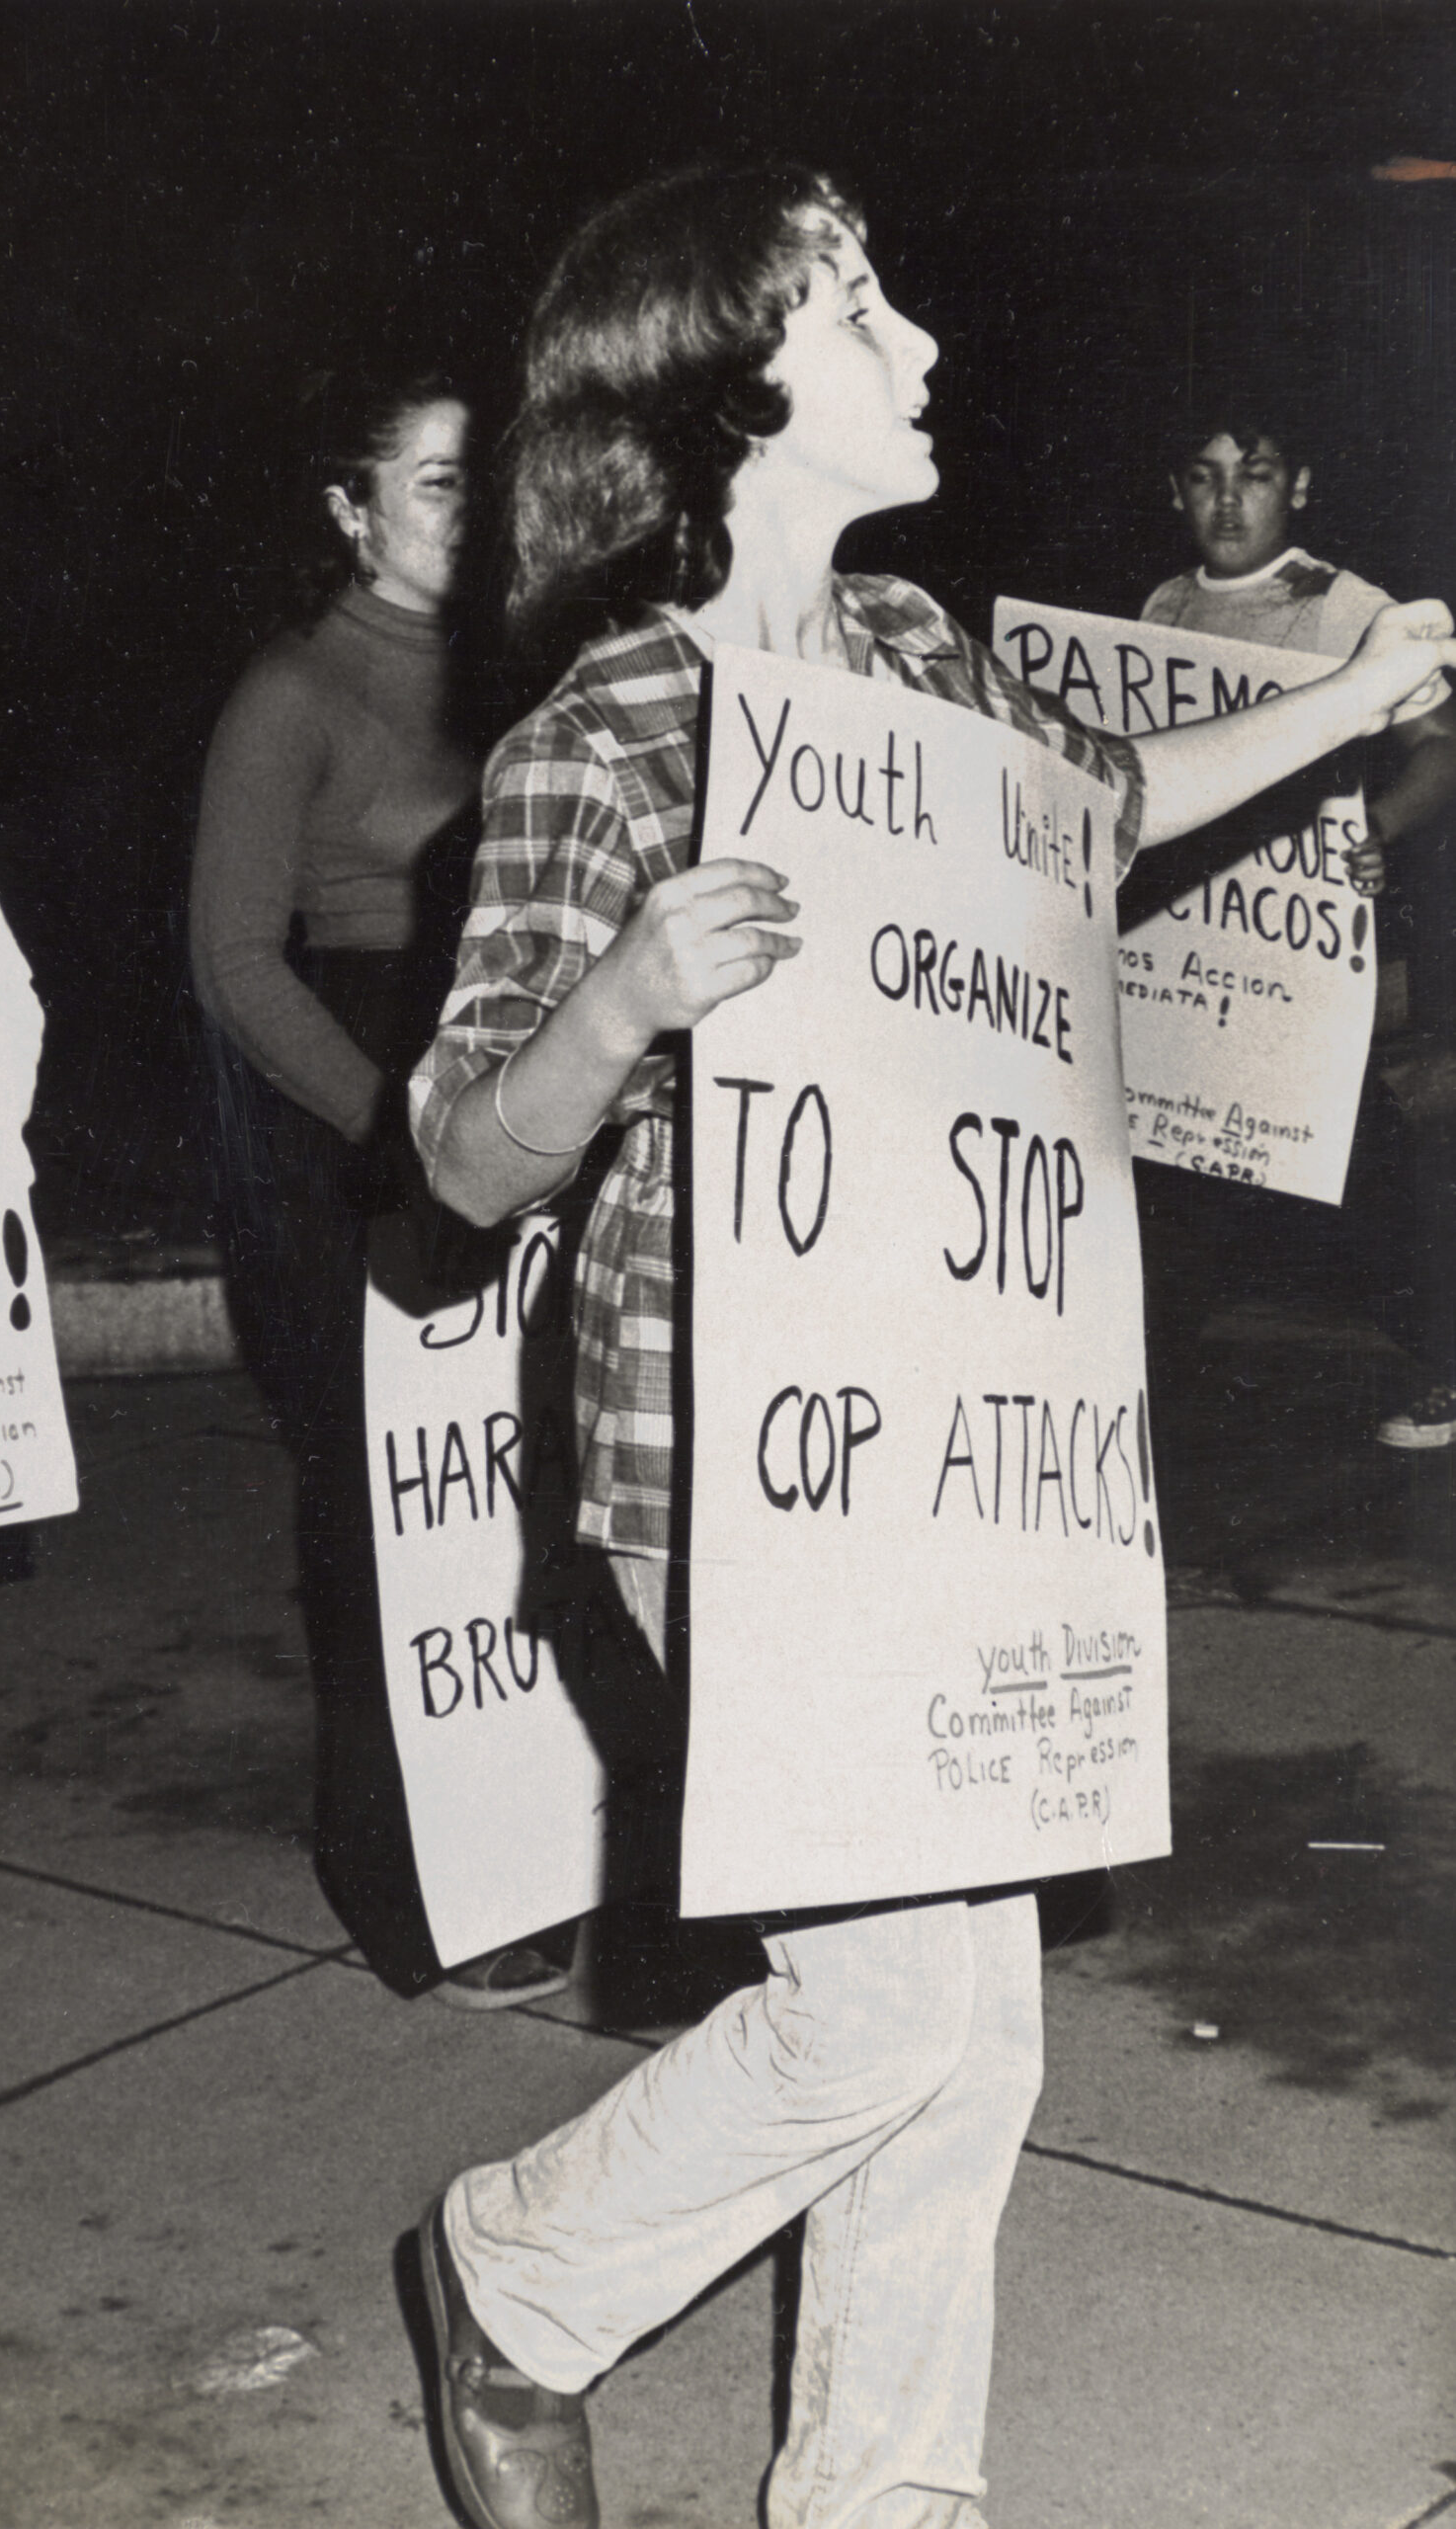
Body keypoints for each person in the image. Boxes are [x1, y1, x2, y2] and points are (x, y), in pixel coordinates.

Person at [404, 165, 1456, 2529]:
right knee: (888, 2008)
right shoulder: (610, 724)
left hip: (946, 1464)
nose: (921, 340)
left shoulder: (906, 650)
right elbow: (467, 1154)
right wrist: (630, 997)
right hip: (727, 1470)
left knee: (969, 2028)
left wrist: (1354, 693)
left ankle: (883, 2496)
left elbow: (1093, 821)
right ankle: (518, 2271)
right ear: (729, 380)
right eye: (859, 296)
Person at [190, 371, 569, 2006]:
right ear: (349, 511)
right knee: (383, 1514)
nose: (468, 512)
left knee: (514, 1493)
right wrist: (397, 1130)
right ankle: (415, 1883)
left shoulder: (521, 673)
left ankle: (547, 1837)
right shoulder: (293, 691)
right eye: (431, 483)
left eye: (486, 481)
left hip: (507, 1087)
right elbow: (228, 965)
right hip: (355, 1115)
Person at [1144, 414, 1456, 1447]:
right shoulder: (1161, 607)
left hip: (1306, 958)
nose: (1226, 502)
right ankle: (1137, 1382)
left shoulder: (1346, 605)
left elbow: (1439, 751)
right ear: (1175, 491)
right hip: (1192, 958)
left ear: (1299, 486)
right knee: (1167, 1158)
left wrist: (1375, 824)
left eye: (1255, 475)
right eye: (1202, 477)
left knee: (1361, 1175)